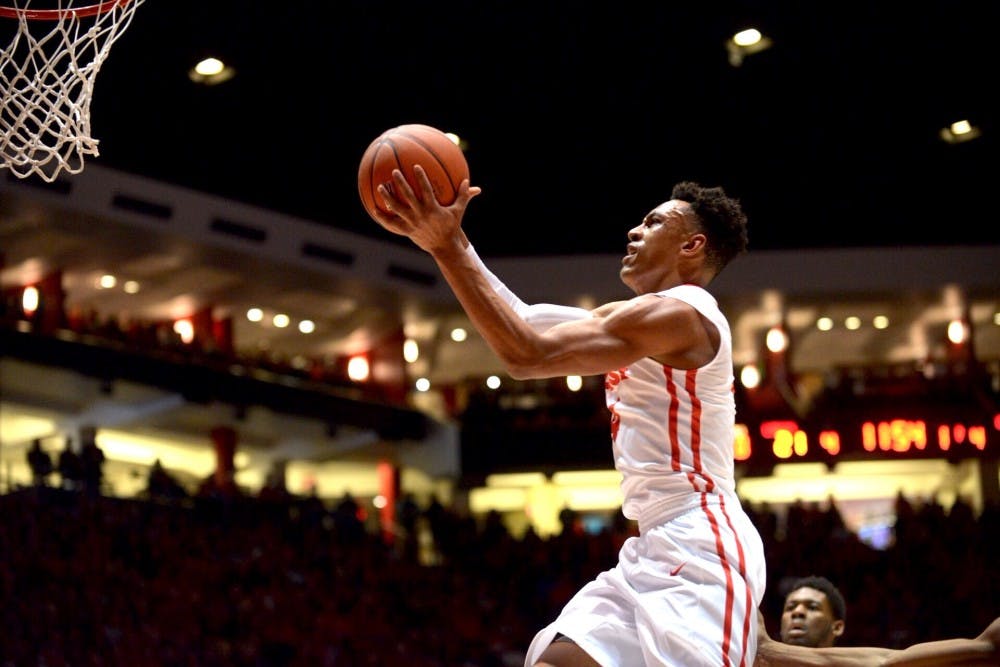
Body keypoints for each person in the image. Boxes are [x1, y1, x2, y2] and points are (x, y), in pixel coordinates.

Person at [374, 167, 766, 666]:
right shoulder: (642, 317)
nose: (634, 231)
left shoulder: (684, 313)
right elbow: (525, 321)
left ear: (691, 246)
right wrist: (449, 243)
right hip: (653, 545)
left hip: (701, 542)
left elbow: (526, 353)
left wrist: (446, 246)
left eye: (653, 223)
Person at [754, 575, 1000, 666]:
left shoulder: (873, 661)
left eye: (812, 607)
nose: (797, 612)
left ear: (837, 626)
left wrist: (770, 650)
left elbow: (988, 647)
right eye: (790, 607)